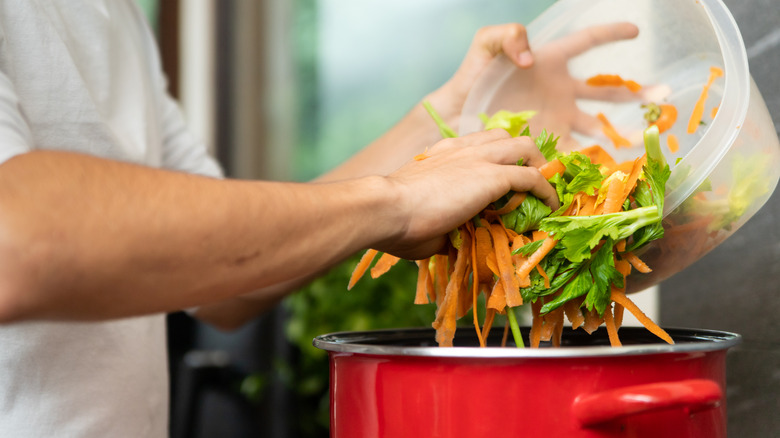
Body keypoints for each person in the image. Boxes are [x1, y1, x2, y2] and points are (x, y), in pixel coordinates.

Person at [0, 1, 638, 436]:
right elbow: (17, 243)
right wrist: (394, 202)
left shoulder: (112, 17)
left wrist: (454, 117)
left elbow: (227, 274)